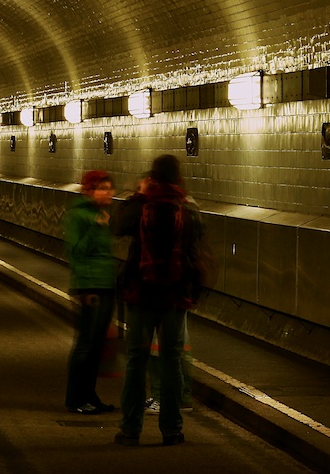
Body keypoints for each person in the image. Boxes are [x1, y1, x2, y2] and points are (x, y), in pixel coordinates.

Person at [114, 154, 204, 446]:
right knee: (171, 362)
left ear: (151, 177)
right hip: (175, 298)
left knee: (135, 363)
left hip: (140, 296)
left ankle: (130, 430)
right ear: (178, 178)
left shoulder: (141, 206)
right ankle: (172, 430)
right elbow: (195, 248)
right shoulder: (188, 209)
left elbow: (115, 225)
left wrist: (139, 194)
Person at [63, 170, 118, 414]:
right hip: (91, 286)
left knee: (96, 345)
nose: (109, 193)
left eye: (110, 188)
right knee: (85, 344)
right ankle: (76, 398)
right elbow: (76, 251)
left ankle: (90, 395)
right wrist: (84, 289)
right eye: (102, 188)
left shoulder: (101, 214)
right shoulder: (80, 215)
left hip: (106, 285)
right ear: (89, 190)